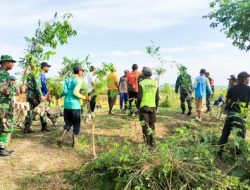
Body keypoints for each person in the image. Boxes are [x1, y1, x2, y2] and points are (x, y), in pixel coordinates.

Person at [217, 72, 250, 158]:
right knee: (240, 136)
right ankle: (237, 156)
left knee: (225, 133)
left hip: (230, 114)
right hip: (241, 115)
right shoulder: (249, 89)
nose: (248, 80)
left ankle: (219, 152)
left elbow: (227, 101)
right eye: (247, 78)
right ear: (242, 79)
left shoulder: (232, 88)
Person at [58, 66, 90, 148]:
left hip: (66, 105)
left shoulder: (67, 79)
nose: (82, 72)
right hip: (75, 106)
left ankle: (61, 137)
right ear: (79, 71)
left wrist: (59, 96)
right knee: (76, 124)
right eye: (82, 71)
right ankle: (74, 143)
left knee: (68, 123)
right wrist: (85, 97)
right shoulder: (79, 80)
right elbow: (75, 93)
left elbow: (64, 92)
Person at [137, 67, 159, 147]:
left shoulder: (141, 83)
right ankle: (152, 143)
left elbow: (139, 97)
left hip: (144, 107)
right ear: (151, 74)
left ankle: (147, 143)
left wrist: (138, 106)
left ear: (143, 74)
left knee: (145, 126)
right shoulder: (155, 83)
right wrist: (156, 107)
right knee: (152, 125)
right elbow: (157, 97)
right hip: (152, 107)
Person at [24, 63, 48, 133]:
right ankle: (44, 126)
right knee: (42, 108)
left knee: (29, 111)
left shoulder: (29, 74)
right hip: (35, 95)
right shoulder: (36, 74)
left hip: (29, 94)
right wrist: (41, 96)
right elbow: (37, 87)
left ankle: (27, 127)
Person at [0, 55, 16, 156]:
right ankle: (1, 149)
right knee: (3, 125)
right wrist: (11, 90)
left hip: (6, 103)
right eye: (11, 62)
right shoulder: (2, 74)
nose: (13, 64)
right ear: (5, 62)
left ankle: (2, 147)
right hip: (2, 104)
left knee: (4, 125)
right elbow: (3, 89)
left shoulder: (5, 74)